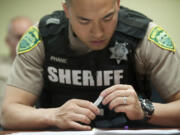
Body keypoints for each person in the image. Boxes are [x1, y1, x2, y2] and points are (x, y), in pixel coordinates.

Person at [1, 0, 180, 130]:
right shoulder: (41, 37)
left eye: (108, 17)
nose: (98, 32)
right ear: (67, 11)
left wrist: (144, 110)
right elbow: (8, 114)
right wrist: (53, 115)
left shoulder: (145, 37)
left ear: (117, 4)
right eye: (84, 21)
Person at [0, 16, 33, 119]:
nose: (25, 41)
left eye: (29, 36)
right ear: (7, 41)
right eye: (19, 37)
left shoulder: (45, 66)